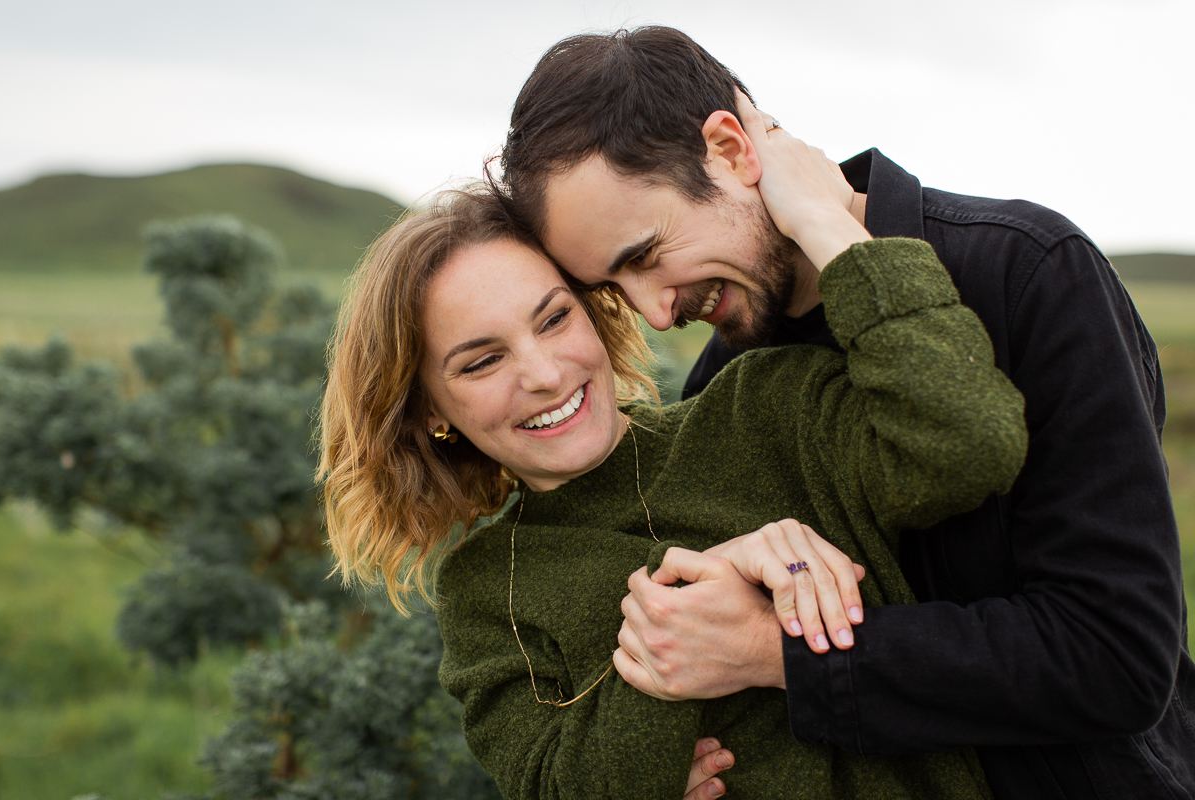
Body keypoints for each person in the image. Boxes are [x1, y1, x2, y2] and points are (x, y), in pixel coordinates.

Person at [494, 25, 1195, 800]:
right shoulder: (725, 381)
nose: (656, 315)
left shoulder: (1024, 272)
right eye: (613, 291)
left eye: (646, 253)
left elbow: (1115, 659)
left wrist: (781, 655)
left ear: (729, 149)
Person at [317, 168, 1028, 799]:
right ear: (431, 413)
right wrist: (697, 592)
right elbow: (555, 786)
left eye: (554, 318)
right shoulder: (484, 589)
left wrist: (825, 224)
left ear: (595, 310)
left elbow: (969, 445)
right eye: (480, 362)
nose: (542, 374)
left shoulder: (763, 408)